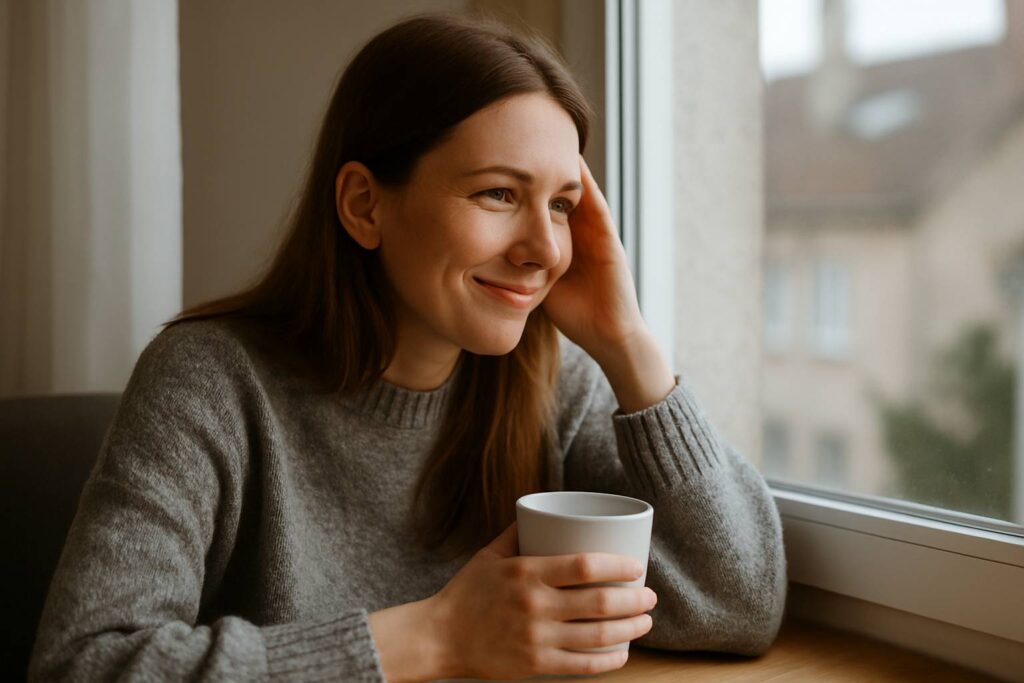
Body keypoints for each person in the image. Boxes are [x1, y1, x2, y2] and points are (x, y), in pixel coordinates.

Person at [28, 10, 786, 683]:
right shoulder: (210, 382)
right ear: (364, 205)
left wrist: (629, 344)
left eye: (560, 205)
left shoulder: (551, 382)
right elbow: (84, 663)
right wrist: (433, 635)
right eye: (498, 193)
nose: (542, 249)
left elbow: (739, 602)